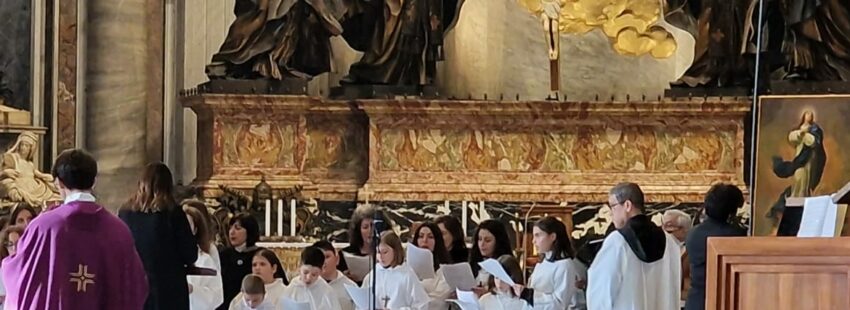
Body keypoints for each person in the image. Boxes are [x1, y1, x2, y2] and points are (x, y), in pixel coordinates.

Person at [2, 149, 148, 309]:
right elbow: (136, 285)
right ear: (93, 182)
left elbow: (19, 275)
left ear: (59, 183)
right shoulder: (119, 230)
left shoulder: (43, 226)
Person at [587, 182, 681, 310]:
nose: (611, 213)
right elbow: (674, 292)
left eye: (613, 206)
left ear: (627, 205)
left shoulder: (617, 242)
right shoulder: (670, 242)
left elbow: (601, 294)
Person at [119, 162, 198, 310]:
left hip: (135, 285)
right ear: (168, 185)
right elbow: (190, 254)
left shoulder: (125, 213)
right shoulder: (172, 213)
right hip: (168, 289)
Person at [685, 184, 747, 310]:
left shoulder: (693, 232)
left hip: (696, 301)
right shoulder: (734, 235)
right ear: (731, 212)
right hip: (723, 301)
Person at [513, 216, 578, 310]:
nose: (533, 241)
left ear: (552, 237)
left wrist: (529, 295)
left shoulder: (564, 265)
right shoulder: (542, 262)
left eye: (538, 235)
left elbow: (560, 303)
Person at [362, 231, 429, 310]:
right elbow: (362, 299)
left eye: (385, 252)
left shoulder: (407, 275)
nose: (380, 256)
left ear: (395, 251)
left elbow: (422, 305)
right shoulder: (375, 273)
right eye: (378, 252)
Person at [0, 131, 60, 207]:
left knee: (54, 195)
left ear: (31, 149)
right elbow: (5, 176)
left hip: (33, 187)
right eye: (22, 145)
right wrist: (5, 172)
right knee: (11, 188)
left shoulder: (30, 164)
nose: (23, 148)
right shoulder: (12, 158)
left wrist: (48, 177)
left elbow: (40, 175)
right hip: (20, 186)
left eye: (26, 146)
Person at [219, 213, 264, 310]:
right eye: (230, 228)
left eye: (237, 228)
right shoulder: (224, 255)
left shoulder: (260, 255)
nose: (232, 232)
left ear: (249, 231)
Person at [184, 205, 224, 310]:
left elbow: (217, 296)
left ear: (195, 230)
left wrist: (193, 290)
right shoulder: (166, 257)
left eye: (187, 226)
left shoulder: (205, 260)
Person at [337, 204, 390, 283]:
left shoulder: (390, 252)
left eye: (374, 226)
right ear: (358, 231)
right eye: (365, 227)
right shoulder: (345, 254)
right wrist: (343, 278)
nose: (370, 231)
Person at [411, 221, 453, 310]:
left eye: (430, 237)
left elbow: (437, 301)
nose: (424, 240)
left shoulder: (445, 271)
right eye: (421, 236)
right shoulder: (407, 268)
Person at [469, 219, 514, 296]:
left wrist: (487, 294)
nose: (482, 244)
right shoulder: (475, 262)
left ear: (498, 242)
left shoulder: (507, 265)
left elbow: (512, 296)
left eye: (488, 240)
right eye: (479, 239)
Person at [312, 240, 356, 310]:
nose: (323, 262)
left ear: (337, 259)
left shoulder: (351, 287)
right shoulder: (305, 285)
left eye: (327, 257)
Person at [662, 209, 692, 305]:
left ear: (684, 229)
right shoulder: (658, 248)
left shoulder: (691, 251)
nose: (664, 232)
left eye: (669, 228)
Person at [0, 225, 23, 306]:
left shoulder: (30, 268)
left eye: (18, 244)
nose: (14, 248)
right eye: (10, 244)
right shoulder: (2, 270)